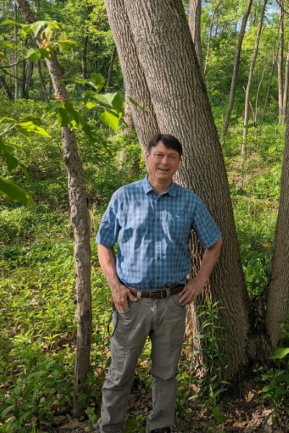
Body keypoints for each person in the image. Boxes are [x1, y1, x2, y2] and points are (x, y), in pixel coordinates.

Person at [95, 134, 223, 433]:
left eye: (172, 157)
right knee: (119, 372)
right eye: (159, 155)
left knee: (166, 372)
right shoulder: (124, 196)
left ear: (179, 163)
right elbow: (104, 244)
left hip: (173, 302)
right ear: (147, 156)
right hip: (132, 303)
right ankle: (110, 427)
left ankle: (161, 425)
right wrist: (115, 286)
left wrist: (200, 281)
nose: (164, 161)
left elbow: (214, 243)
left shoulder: (189, 200)